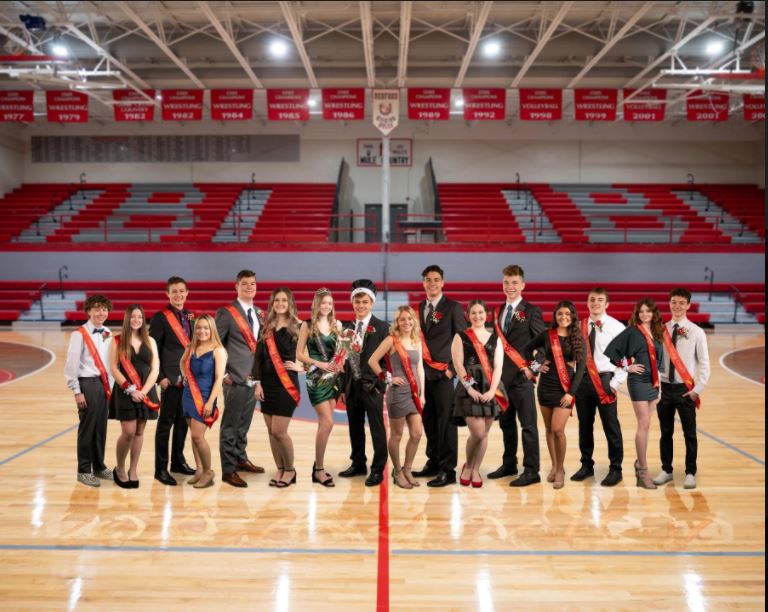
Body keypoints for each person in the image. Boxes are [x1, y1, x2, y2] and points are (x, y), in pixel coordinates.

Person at [488, 264, 546, 486]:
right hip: (502, 380)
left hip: (522, 379)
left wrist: (533, 367)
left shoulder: (531, 311)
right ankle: (509, 464)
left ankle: (532, 471)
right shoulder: (497, 311)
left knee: (528, 426)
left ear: (523, 285)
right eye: (506, 282)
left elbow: (544, 345)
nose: (510, 286)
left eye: (514, 282)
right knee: (506, 425)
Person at [412, 265, 467, 488]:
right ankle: (433, 461)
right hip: (424, 374)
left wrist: (453, 369)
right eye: (428, 280)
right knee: (429, 420)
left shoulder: (453, 307)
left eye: (436, 280)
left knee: (446, 422)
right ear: (423, 283)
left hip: (444, 374)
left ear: (442, 282)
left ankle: (448, 469)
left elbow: (463, 339)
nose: (432, 283)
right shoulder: (420, 306)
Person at [604, 298, 666, 490]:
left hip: (653, 382)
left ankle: (639, 464)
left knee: (647, 426)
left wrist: (660, 386)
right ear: (637, 314)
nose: (644, 314)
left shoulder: (658, 332)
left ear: (654, 314)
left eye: (648, 311)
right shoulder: (632, 331)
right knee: (643, 423)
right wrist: (627, 367)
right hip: (638, 381)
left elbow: (660, 362)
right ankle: (643, 470)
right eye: (641, 311)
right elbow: (611, 352)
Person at [653, 288, 711, 490]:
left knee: (689, 433)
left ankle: (690, 473)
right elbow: (656, 360)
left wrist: (698, 390)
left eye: (681, 303)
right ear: (669, 304)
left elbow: (704, 363)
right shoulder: (660, 330)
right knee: (665, 432)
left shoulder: (696, 332)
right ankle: (666, 470)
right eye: (673, 302)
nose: (676, 306)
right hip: (664, 389)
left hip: (685, 390)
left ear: (688, 305)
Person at [524, 301, 585, 489]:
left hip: (565, 389)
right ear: (555, 316)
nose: (563, 317)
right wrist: (536, 366)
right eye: (560, 314)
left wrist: (571, 393)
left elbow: (581, 368)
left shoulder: (577, 337)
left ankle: (560, 470)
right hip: (545, 387)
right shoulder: (546, 335)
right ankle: (555, 465)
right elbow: (526, 349)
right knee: (549, 430)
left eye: (567, 314)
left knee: (558, 430)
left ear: (572, 316)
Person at [571, 288, 627, 487]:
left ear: (607, 304)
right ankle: (586, 465)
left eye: (600, 300)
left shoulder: (617, 327)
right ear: (587, 303)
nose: (595, 303)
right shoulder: (579, 326)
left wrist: (616, 382)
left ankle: (616, 469)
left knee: (611, 426)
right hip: (583, 382)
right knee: (584, 426)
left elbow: (626, 357)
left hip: (605, 381)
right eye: (592, 300)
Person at [215, 269, 266, 488]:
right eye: (244, 284)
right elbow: (216, 344)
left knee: (243, 424)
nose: (249, 287)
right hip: (234, 378)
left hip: (253, 379)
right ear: (236, 286)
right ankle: (228, 470)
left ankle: (240, 459)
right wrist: (224, 373)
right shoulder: (226, 312)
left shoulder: (258, 313)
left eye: (252, 284)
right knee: (230, 426)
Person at [338, 279, 390, 487]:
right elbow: (344, 361)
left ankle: (378, 469)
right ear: (352, 303)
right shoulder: (347, 328)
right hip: (352, 386)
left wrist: (382, 384)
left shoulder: (382, 327)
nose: (360, 305)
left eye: (365, 301)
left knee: (377, 428)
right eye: (357, 301)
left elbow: (387, 361)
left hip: (372, 387)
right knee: (355, 427)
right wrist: (343, 387)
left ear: (372, 303)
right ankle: (358, 463)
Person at [368, 306, 425, 489]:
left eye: (409, 319)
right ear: (397, 322)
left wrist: (422, 393)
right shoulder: (391, 340)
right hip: (397, 394)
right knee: (397, 435)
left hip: (414, 393)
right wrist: (387, 377)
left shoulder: (417, 340)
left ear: (413, 320)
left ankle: (407, 469)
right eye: (402, 319)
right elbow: (372, 361)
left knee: (416, 434)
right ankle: (397, 471)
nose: (406, 322)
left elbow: (419, 369)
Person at [252, 288, 304, 488]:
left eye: (284, 300)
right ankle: (280, 468)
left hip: (286, 384)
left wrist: (304, 367)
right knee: (271, 431)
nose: (280, 303)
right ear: (272, 303)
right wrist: (256, 382)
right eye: (277, 300)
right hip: (267, 384)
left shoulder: (300, 326)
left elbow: (319, 351)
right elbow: (258, 357)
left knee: (279, 431)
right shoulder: (265, 328)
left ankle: (290, 470)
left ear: (290, 303)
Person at [451, 300, 505, 489]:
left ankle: (475, 469)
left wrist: (492, 390)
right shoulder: (461, 336)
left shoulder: (495, 338)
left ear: (486, 314)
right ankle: (467, 464)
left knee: (485, 434)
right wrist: (470, 388)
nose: (477, 316)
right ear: (468, 315)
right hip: (470, 387)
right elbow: (458, 364)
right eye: (473, 313)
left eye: (481, 312)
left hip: (490, 387)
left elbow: (498, 367)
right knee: (477, 432)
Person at [64, 295, 115, 487]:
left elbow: (109, 363)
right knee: (87, 428)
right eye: (96, 309)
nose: (101, 313)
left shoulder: (108, 331)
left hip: (103, 385)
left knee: (101, 428)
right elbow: (71, 365)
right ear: (88, 311)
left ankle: (99, 466)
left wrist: (110, 387)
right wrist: (77, 391)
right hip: (87, 384)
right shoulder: (79, 334)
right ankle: (84, 470)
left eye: (104, 309)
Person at [149, 276, 196, 486]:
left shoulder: (190, 316)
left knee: (183, 424)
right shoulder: (160, 318)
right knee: (165, 425)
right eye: (174, 291)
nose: (178, 295)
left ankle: (178, 461)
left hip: (188, 380)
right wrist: (160, 378)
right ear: (167, 294)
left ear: (187, 293)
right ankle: (160, 469)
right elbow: (153, 350)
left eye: (181, 291)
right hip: (170, 379)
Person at [108, 304, 160, 489]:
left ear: (143, 319)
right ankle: (120, 469)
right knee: (128, 432)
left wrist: (144, 392)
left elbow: (155, 369)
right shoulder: (117, 341)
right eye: (133, 317)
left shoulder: (150, 341)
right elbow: (114, 368)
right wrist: (131, 390)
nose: (136, 320)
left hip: (146, 391)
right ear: (127, 319)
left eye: (139, 316)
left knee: (139, 432)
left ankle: (133, 469)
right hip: (125, 392)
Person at [296, 288, 343, 487]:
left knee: (324, 425)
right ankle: (319, 470)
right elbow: (299, 354)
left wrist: (341, 361)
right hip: (316, 378)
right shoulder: (307, 325)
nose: (326, 306)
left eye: (329, 303)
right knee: (328, 423)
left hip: (334, 378)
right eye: (323, 303)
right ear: (316, 304)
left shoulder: (337, 324)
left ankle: (318, 463)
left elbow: (341, 351)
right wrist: (319, 364)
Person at [180, 314, 226, 488]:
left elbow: (219, 379)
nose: (202, 331)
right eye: (199, 327)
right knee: (193, 436)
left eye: (206, 328)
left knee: (198, 436)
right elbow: (182, 362)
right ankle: (199, 470)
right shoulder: (191, 347)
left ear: (212, 329)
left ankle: (208, 472)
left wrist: (210, 402)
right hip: (188, 395)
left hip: (206, 398)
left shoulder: (218, 350)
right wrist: (185, 376)